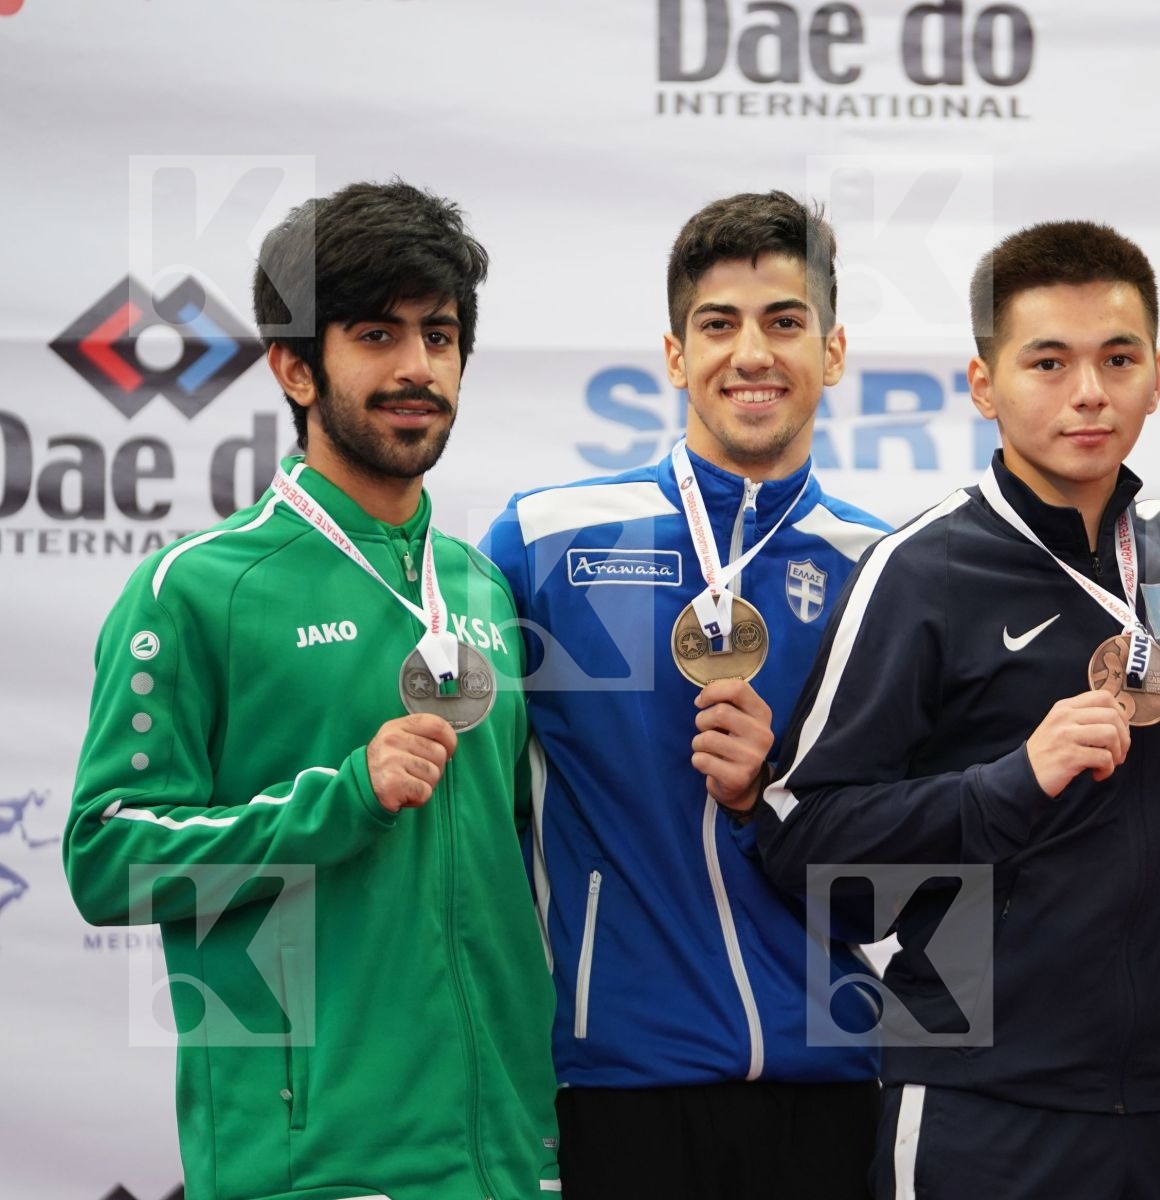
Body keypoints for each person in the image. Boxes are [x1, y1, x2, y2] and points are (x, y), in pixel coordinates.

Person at [63, 181, 560, 1200]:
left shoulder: (479, 585)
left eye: (441, 334)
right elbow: (107, 860)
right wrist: (339, 801)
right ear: (295, 366)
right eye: (377, 334)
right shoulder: (197, 589)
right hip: (310, 1170)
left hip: (502, 1162)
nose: (418, 367)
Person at [755, 221, 1160, 1200]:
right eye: (1049, 362)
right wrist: (1010, 784)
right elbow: (803, 835)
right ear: (984, 385)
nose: (1089, 392)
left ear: (1158, 373)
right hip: (982, 1100)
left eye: (1117, 358)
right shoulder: (922, 569)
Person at [482, 191, 887, 1200]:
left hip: (834, 1082)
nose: (752, 353)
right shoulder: (546, 542)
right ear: (674, 356)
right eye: (720, 324)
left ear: (833, 353)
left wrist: (776, 799)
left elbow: (923, 848)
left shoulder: (884, 567)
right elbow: (474, 812)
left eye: (785, 322)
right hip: (616, 1080)